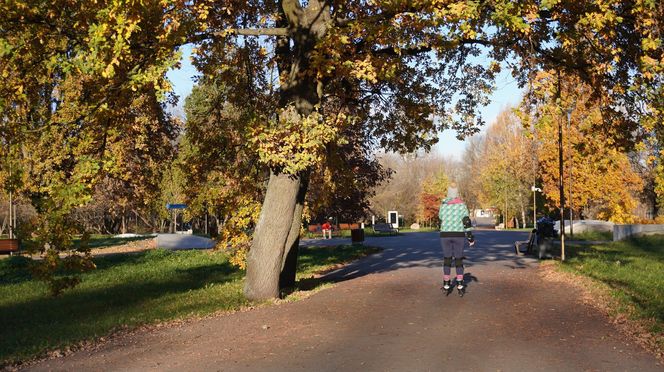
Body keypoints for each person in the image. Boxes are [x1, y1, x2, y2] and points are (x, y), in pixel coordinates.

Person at [438, 184, 474, 294]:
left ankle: (446, 283)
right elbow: (466, 221)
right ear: (457, 193)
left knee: (447, 259)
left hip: (445, 235)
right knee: (458, 259)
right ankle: (459, 284)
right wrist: (470, 237)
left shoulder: (443, 205)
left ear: (448, 193)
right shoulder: (462, 205)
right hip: (459, 235)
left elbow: (439, 219)